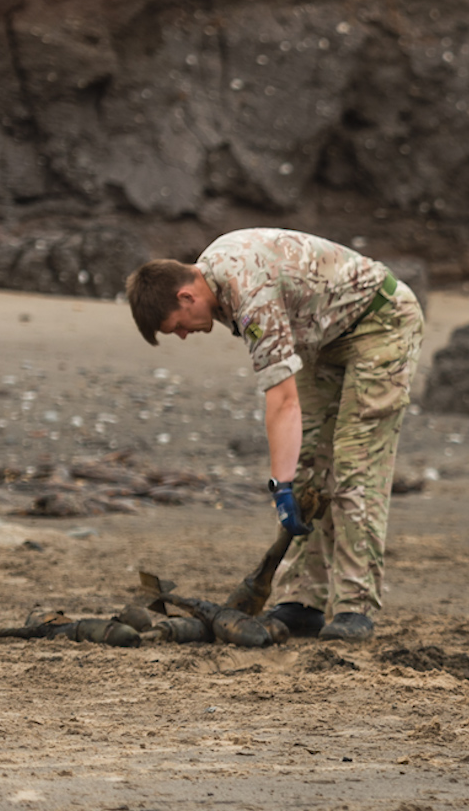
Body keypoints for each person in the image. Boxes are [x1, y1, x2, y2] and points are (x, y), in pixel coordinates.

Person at [125, 229, 425, 641]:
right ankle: (302, 602)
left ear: (185, 297)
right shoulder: (212, 279)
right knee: (308, 471)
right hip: (324, 341)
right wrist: (291, 484)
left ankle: (356, 608)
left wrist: (278, 487)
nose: (182, 334)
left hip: (381, 323)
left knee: (356, 465)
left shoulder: (247, 291)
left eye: (175, 326)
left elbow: (283, 402)